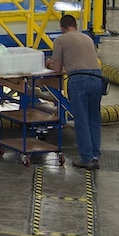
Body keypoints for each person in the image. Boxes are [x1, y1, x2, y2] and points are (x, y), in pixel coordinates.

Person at [46, 15, 102, 170]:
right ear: (75, 25)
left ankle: (86, 158)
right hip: (97, 79)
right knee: (94, 119)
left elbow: (57, 69)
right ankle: (95, 156)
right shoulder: (87, 38)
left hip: (79, 81)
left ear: (62, 27)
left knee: (82, 120)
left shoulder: (61, 40)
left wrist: (49, 62)